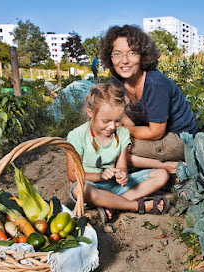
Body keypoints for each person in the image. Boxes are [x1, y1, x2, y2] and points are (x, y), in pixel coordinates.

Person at [99, 25, 197, 174]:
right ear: (110, 57)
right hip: (148, 132)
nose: (124, 60)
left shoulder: (155, 83)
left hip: (178, 139)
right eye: (117, 54)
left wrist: (119, 130)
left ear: (143, 55)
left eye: (132, 53)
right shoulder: (116, 83)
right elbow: (117, 116)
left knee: (112, 146)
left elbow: (156, 132)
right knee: (108, 141)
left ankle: (171, 168)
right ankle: (161, 169)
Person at [66, 82, 170, 223]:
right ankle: (136, 206)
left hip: (115, 187)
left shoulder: (122, 133)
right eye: (106, 121)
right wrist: (100, 176)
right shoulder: (77, 136)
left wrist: (122, 175)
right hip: (92, 187)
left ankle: (114, 205)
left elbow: (121, 166)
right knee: (79, 189)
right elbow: (73, 174)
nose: (112, 126)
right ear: (90, 113)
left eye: (117, 120)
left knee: (161, 174)